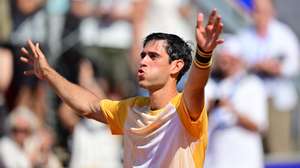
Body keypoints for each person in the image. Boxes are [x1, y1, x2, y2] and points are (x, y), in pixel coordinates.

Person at [19, 9, 223, 167]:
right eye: (143, 55)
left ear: (176, 66)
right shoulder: (133, 109)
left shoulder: (184, 109)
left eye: (153, 56)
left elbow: (196, 86)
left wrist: (204, 53)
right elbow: (88, 106)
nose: (143, 61)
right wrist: (47, 73)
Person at [234, 0, 300, 153]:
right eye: (257, 10)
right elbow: (234, 62)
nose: (260, 15)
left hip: (277, 100)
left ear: (272, 12)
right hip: (252, 101)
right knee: (256, 149)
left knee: (279, 148)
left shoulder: (283, 34)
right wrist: (255, 65)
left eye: (264, 10)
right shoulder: (244, 36)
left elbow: (294, 63)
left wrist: (277, 68)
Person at [204, 38, 268, 168]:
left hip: (246, 161)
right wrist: (211, 107)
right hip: (215, 160)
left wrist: (231, 110)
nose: (225, 62)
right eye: (223, 58)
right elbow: (197, 123)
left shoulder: (252, 85)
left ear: (239, 60)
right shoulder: (209, 85)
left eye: (230, 58)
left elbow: (259, 126)